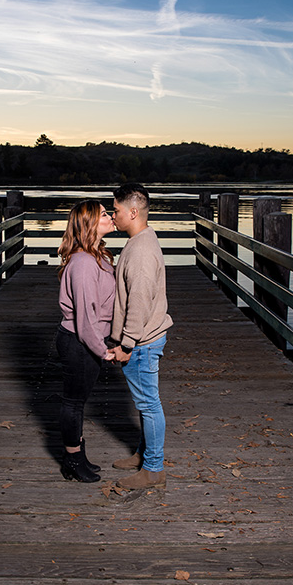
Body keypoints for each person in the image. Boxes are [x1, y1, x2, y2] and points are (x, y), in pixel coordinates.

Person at [108, 183, 174, 490]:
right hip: (144, 339)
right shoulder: (141, 241)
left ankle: (154, 469)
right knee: (145, 403)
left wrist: (126, 344)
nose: (113, 215)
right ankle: (144, 454)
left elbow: (139, 301)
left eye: (117, 210)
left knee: (149, 404)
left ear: (133, 212)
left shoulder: (142, 250)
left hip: (142, 343)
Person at [55, 199, 116, 482]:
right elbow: (86, 318)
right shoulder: (83, 263)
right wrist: (103, 351)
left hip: (89, 340)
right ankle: (72, 460)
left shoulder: (98, 257)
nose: (111, 216)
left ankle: (79, 456)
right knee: (73, 403)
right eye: (104, 214)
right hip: (80, 342)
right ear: (90, 223)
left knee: (78, 401)